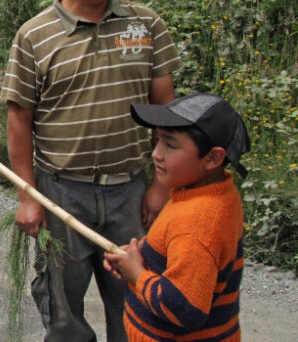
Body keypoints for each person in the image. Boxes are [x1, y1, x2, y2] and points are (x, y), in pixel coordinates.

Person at [1, 0, 184, 342]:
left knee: (137, 304)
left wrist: (161, 186)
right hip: (61, 193)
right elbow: (19, 121)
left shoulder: (145, 24)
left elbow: (166, 110)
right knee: (62, 307)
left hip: (130, 192)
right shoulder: (34, 36)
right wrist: (28, 197)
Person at [104, 93, 250, 341]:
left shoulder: (197, 221)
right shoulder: (209, 193)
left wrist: (137, 274)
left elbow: (184, 308)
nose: (156, 154)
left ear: (213, 158)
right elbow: (181, 255)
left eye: (170, 145)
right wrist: (138, 258)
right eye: (158, 140)